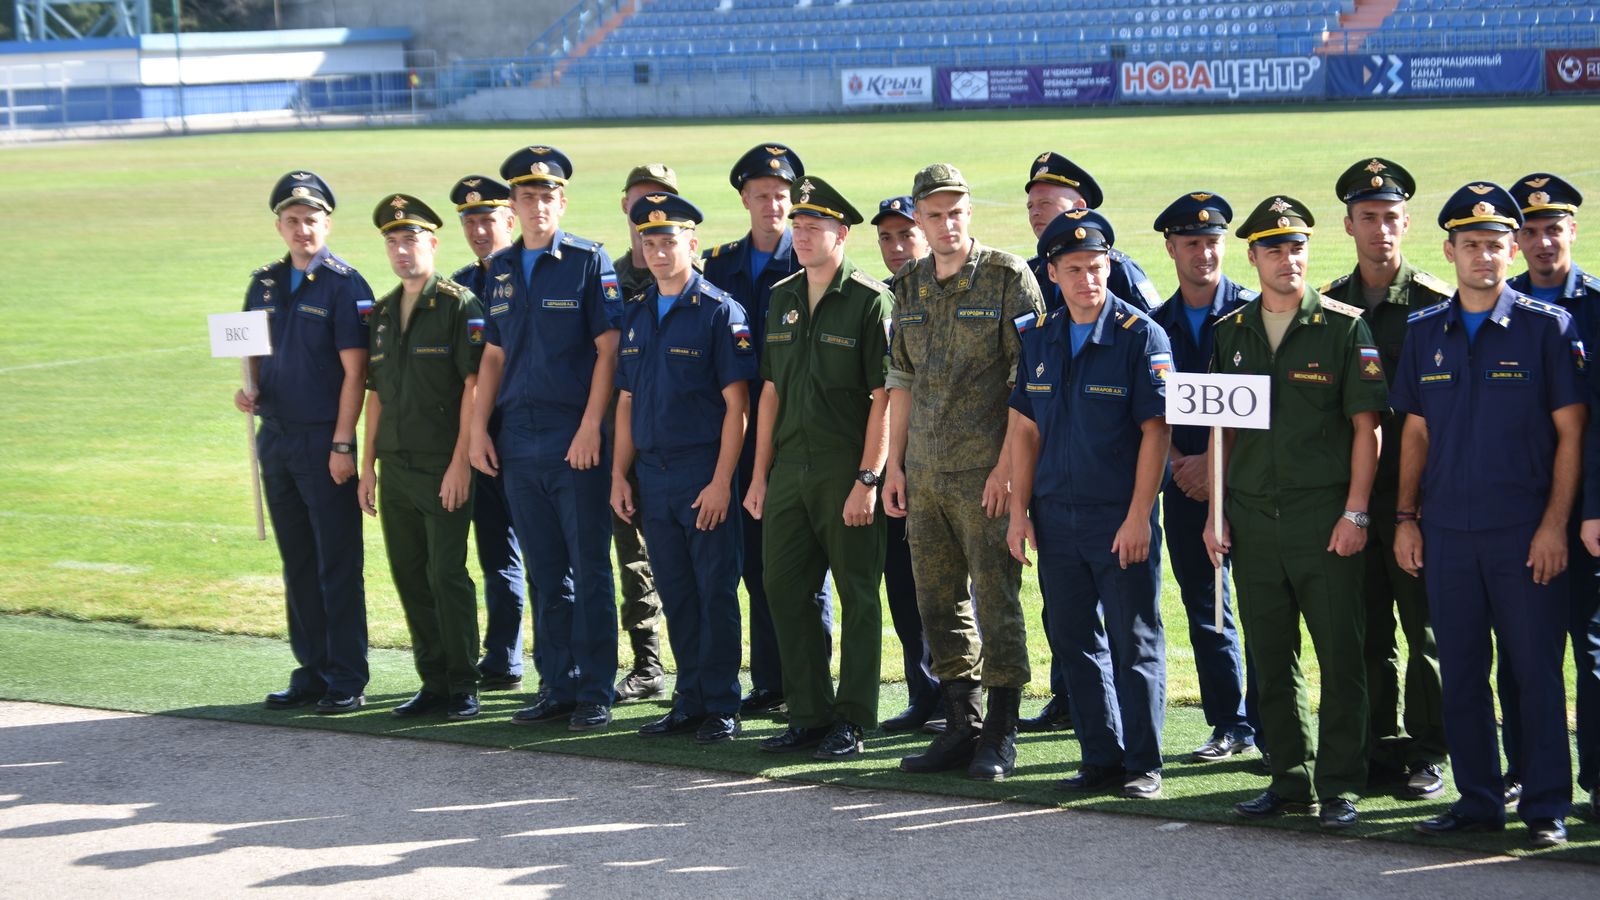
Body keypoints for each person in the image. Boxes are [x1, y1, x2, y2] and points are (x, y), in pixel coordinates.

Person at [1397, 182, 1583, 848]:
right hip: (1446, 532)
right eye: (1471, 244)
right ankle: (1478, 800)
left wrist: (1555, 525)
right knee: (1463, 671)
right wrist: (1405, 517)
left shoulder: (1546, 327)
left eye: (1496, 245)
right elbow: (1414, 433)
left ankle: (1544, 807)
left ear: (1512, 250)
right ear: (1448, 250)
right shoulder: (1424, 333)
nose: (1484, 256)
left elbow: (1572, 433)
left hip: (1524, 534)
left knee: (1533, 672)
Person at [1206, 195, 1386, 830]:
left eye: (1298, 246)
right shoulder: (1230, 331)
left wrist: (1357, 513)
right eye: (1275, 248)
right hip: (1252, 520)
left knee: (1341, 654)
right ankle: (1290, 779)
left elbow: (1368, 430)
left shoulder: (1343, 327)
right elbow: (1222, 432)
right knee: (1270, 654)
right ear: (1252, 256)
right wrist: (1215, 514)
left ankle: (1339, 784)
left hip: (1323, 517)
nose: (1289, 258)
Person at [886, 163, 1044, 780]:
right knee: (938, 602)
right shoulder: (909, 285)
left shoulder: (1008, 277)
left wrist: (1008, 470)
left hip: (986, 472)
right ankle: (961, 725)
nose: (946, 224)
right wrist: (893, 467)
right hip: (924, 474)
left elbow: (1025, 383)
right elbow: (902, 379)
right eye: (934, 215)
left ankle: (1002, 732)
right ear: (919, 221)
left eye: (956, 212)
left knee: (997, 600)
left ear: (968, 214)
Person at [1008, 209, 1172, 796]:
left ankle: (1144, 763)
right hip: (1054, 519)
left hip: (1116, 518)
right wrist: (1017, 512)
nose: (1088, 280)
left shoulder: (1141, 337)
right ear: (1053, 273)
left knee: (1135, 641)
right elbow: (1026, 431)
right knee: (1074, 641)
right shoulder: (1040, 337)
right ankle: (1100, 755)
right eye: (1074, 269)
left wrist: (1138, 517)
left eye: (1096, 267)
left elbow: (1157, 432)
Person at [469, 144, 621, 732]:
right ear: (512, 204)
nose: (538, 206)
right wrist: (480, 429)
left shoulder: (588, 260)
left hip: (573, 436)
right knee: (542, 570)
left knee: (589, 567)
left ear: (563, 200)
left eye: (548, 196)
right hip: (517, 441)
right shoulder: (502, 268)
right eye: (527, 197)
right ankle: (556, 685)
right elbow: (494, 355)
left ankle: (595, 690)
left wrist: (590, 427)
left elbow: (608, 350)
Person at [745, 177, 893, 760]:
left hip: (844, 468)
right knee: (782, 588)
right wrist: (759, 476)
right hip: (789, 470)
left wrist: (868, 478)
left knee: (857, 593)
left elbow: (885, 397)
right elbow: (771, 392)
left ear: (842, 234)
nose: (802, 236)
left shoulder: (868, 298)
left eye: (815, 228)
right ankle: (807, 712)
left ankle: (852, 719)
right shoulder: (781, 296)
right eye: (797, 227)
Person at [1321, 159, 1453, 798]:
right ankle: (1377, 746)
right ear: (1348, 225)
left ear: (1407, 222)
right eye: (1367, 218)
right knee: (1366, 630)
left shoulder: (1435, 306)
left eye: (1390, 218)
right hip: (1352, 500)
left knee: (1423, 629)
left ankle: (1431, 749)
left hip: (1417, 501)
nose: (1381, 230)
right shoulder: (1329, 306)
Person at [612, 192, 753, 744]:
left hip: (702, 472)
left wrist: (721, 483)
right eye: (649, 242)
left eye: (669, 241)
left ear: (692, 244)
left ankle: (720, 703)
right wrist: (620, 475)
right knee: (675, 590)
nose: (658, 251)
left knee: (714, 590)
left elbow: (737, 407)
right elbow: (625, 402)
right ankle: (688, 699)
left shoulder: (720, 311)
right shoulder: (638, 312)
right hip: (651, 473)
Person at [702, 143, 833, 716]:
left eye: (782, 196)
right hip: (737, 427)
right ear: (744, 199)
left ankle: (809, 683)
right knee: (757, 565)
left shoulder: (807, 256)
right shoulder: (719, 262)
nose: (773, 206)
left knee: (807, 568)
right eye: (762, 196)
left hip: (796, 427)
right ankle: (771, 681)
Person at [238, 170, 370, 715]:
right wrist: (248, 391)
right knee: (297, 560)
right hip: (276, 437)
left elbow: (355, 373)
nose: (301, 230)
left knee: (335, 560)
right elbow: (249, 345)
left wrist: (343, 445)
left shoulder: (345, 285)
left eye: (310, 220)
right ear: (279, 225)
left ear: (327, 223)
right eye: (291, 221)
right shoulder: (263, 282)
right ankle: (311, 669)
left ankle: (346, 675)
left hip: (323, 441)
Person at [356, 194, 484, 721]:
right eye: (392, 241)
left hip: (441, 465)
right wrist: (367, 467)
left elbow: (473, 388)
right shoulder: (383, 313)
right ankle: (432, 681)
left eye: (410, 239)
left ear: (432, 242)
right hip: (397, 468)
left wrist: (461, 463)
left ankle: (463, 684)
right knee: (409, 575)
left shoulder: (458, 305)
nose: (401, 251)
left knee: (446, 575)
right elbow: (377, 395)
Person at [1148, 191, 1260, 763]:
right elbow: (1153, 411)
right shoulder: (1157, 324)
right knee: (1208, 606)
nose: (1204, 252)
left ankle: (1272, 725)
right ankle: (1230, 724)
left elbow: (1262, 410)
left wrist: (1216, 470)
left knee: (1266, 608)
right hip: (1186, 488)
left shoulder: (1253, 312)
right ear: (1171, 248)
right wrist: (1178, 470)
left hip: (1252, 485)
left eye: (1212, 241)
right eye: (1191, 243)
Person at [1508, 173, 1600, 817]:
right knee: (1519, 651)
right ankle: (1525, 771)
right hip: (1518, 509)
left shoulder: (1597, 305)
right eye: (1531, 231)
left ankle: (1596, 776)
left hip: (1587, 513)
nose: (1543, 242)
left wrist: (1594, 507)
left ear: (1573, 230)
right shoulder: (1501, 303)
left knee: (1590, 651)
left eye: (1553, 229)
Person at [607, 164, 689, 704]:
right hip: (626, 438)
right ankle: (647, 662)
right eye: (641, 203)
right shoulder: (607, 276)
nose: (649, 213)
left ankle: (703, 675)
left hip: (684, 448)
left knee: (693, 568)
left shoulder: (694, 279)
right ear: (626, 208)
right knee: (633, 557)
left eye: (661, 202)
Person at [447, 174, 530, 693]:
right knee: (495, 551)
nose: (479, 229)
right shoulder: (458, 287)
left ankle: (563, 667)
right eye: (470, 221)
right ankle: (502, 657)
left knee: (548, 556)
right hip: (477, 438)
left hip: (525, 432)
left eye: (488, 219)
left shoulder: (531, 275)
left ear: (510, 220)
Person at [872, 195, 942, 733]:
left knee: (950, 590)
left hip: (944, 464)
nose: (897, 248)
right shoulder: (881, 299)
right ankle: (922, 694)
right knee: (902, 585)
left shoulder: (942, 295)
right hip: (898, 468)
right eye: (887, 238)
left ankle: (960, 701)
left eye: (906, 235)